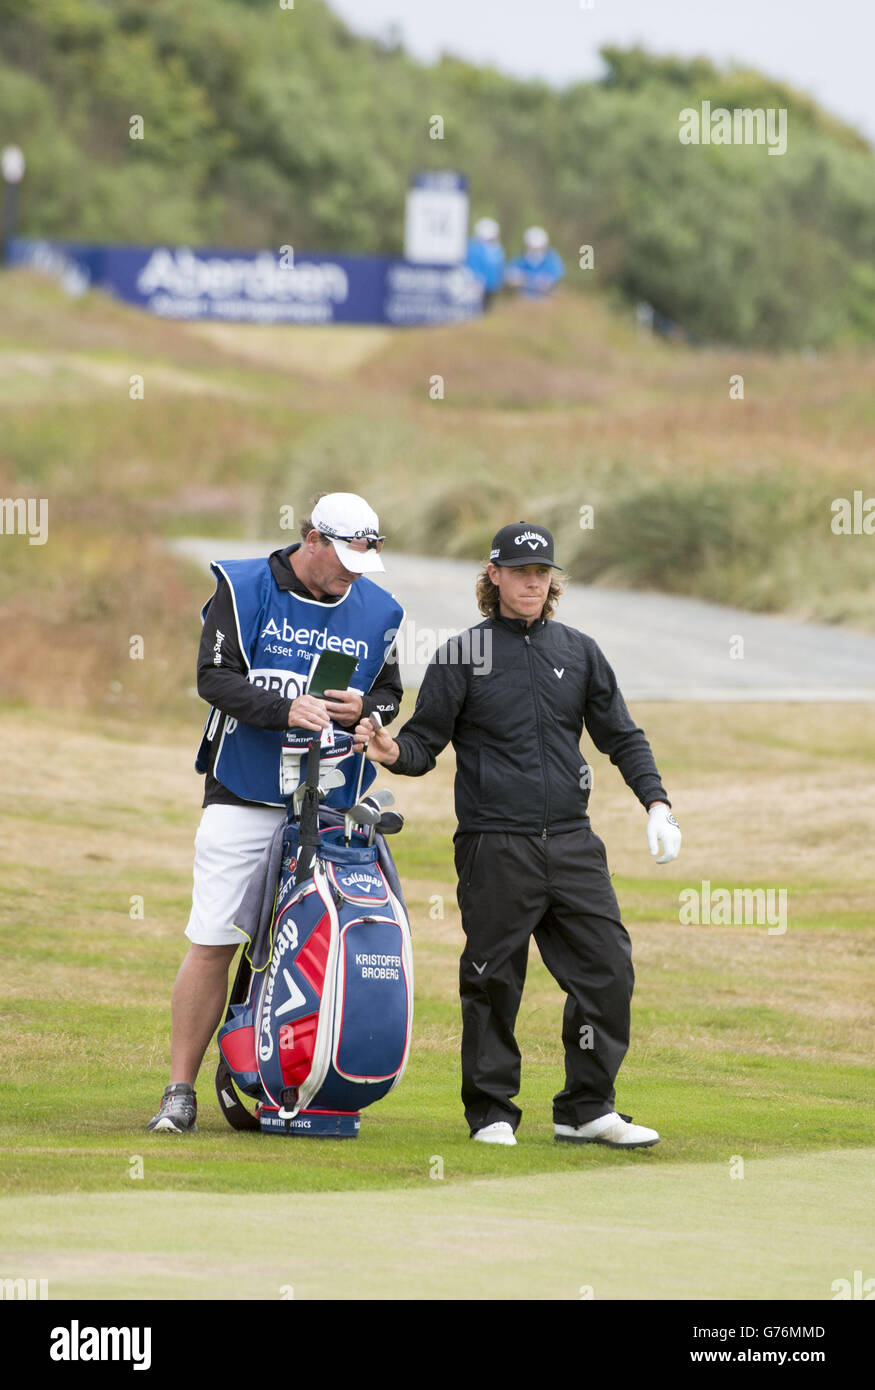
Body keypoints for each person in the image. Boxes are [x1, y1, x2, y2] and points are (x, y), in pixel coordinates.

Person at [354, 522, 680, 1149]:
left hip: (573, 843)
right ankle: (492, 1113)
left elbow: (622, 735)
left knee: (608, 972)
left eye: (543, 573)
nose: (533, 582)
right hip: (494, 842)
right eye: (521, 571)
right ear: (494, 575)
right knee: (493, 978)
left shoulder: (578, 650)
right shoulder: (461, 653)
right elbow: (424, 742)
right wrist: (392, 751)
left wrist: (656, 803)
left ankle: (585, 1109)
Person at [147, 492, 403, 1133]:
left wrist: (366, 709)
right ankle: (179, 1090)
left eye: (361, 561)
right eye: (343, 558)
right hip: (243, 793)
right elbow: (215, 680)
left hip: (332, 803)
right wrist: (284, 709)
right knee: (215, 940)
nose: (351, 574)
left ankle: (263, 1073)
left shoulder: (380, 609)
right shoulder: (243, 585)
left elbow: (391, 691)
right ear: (312, 539)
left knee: (301, 948)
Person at [505, 226, 565, 298]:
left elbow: (557, 274)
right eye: (532, 248)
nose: (535, 251)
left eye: (538, 248)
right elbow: (509, 272)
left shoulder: (552, 258)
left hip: (546, 297)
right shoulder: (522, 258)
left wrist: (547, 282)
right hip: (525, 297)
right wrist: (515, 277)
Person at [465, 216, 506, 310]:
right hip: (476, 286)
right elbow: (472, 265)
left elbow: (499, 267)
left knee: (489, 308)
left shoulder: (497, 248)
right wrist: (475, 280)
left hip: (492, 286)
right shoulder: (474, 247)